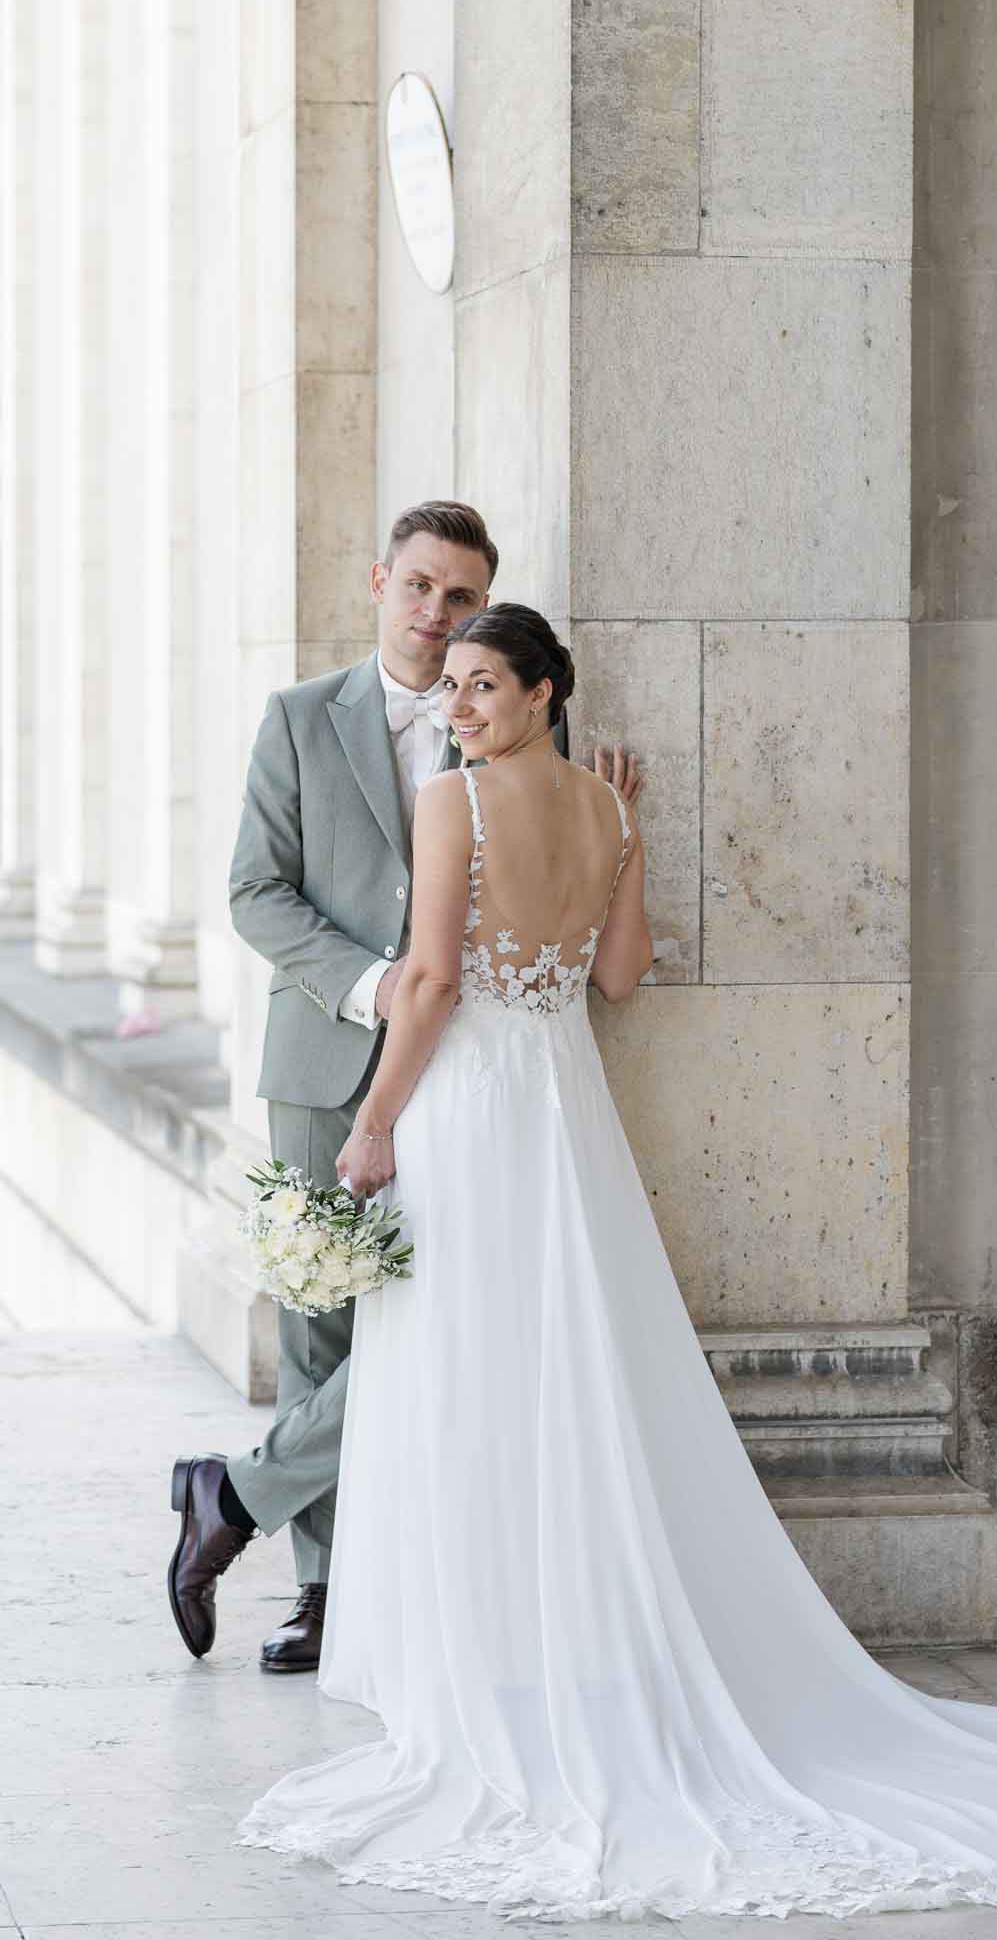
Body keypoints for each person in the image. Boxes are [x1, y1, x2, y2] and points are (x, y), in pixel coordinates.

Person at [236, 603, 997, 1920]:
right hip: (563, 1107)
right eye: (454, 686)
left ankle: (486, 1660)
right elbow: (625, 975)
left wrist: (369, 1128)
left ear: (539, 694)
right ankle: (557, 1641)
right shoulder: (604, 808)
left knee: (471, 1365)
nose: (457, 705)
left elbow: (427, 985)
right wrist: (621, 844)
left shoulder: (451, 801)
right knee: (566, 1359)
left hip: (470, 1107)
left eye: (480, 686)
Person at [166, 503, 639, 1672]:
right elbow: (255, 892)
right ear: (380, 580)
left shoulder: (525, 717)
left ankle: (230, 1496)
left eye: (463, 596)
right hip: (336, 1049)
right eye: (421, 587)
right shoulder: (297, 717)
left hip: (479, 1068)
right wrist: (373, 985)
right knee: (326, 1324)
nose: (438, 615)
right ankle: (323, 1592)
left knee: (451, 1321)